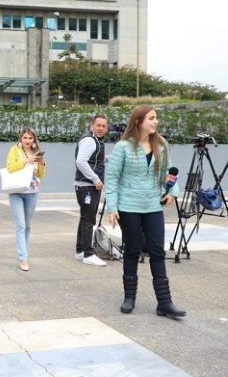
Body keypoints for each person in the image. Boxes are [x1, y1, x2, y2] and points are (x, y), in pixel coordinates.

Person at [105, 105, 186, 318]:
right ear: (139, 121)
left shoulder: (161, 145)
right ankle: (129, 298)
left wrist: (173, 192)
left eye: (156, 118)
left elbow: (168, 175)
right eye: (151, 118)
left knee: (157, 252)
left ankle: (164, 303)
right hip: (129, 205)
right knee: (132, 250)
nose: (156, 121)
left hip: (152, 206)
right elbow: (112, 179)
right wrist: (112, 208)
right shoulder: (123, 147)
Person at [5, 127, 46, 271]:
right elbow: (9, 167)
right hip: (16, 191)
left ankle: (24, 252)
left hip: (32, 192)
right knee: (21, 225)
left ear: (34, 139)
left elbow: (40, 175)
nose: (28, 141)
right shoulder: (14, 150)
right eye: (25, 138)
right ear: (21, 138)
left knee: (28, 225)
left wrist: (42, 164)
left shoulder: (36, 152)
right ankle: (23, 258)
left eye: (30, 138)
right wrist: (26, 161)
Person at [74, 114, 108, 266]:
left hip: (85, 185)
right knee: (89, 219)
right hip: (88, 186)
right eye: (98, 125)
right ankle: (88, 253)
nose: (101, 128)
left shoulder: (95, 140)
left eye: (104, 126)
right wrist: (96, 179)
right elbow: (81, 161)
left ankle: (80, 250)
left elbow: (93, 159)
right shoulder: (90, 140)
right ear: (92, 126)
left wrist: (110, 158)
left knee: (85, 217)